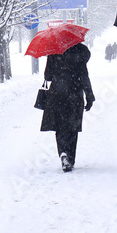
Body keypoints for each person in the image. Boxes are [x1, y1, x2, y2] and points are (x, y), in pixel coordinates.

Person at [39, 43, 95, 172]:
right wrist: (90, 96)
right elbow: (84, 76)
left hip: (57, 94)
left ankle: (63, 152)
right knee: (72, 127)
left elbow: (47, 75)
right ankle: (70, 157)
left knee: (59, 126)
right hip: (74, 94)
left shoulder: (54, 51)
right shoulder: (80, 51)